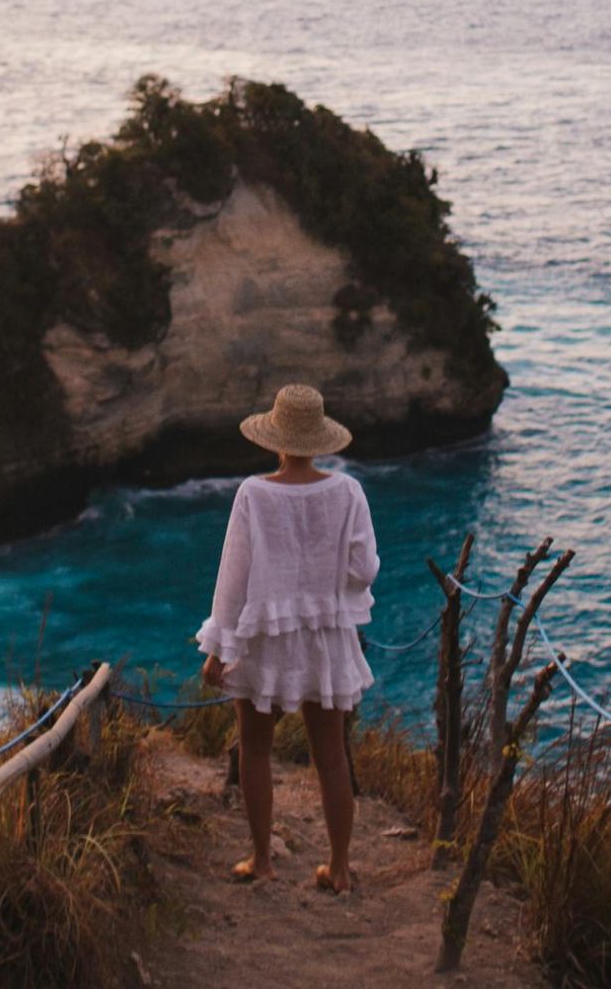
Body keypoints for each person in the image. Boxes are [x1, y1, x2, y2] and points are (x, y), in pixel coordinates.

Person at [197, 383, 379, 893]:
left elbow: (232, 578)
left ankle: (262, 860)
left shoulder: (254, 493)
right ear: (320, 439)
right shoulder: (348, 492)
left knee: (255, 749)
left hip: (264, 639)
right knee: (332, 754)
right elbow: (364, 570)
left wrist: (218, 649)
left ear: (275, 439)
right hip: (325, 638)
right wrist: (327, 590)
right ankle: (339, 868)